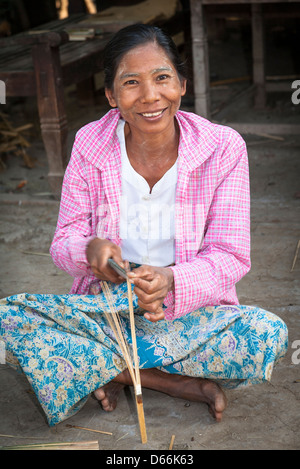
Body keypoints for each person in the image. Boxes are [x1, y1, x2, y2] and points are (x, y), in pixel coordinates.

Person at [0, 24, 288, 427]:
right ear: (111, 95)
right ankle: (166, 379)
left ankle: (105, 364)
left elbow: (231, 255)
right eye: (131, 83)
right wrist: (90, 251)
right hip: (108, 306)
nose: (150, 96)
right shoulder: (90, 144)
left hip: (189, 311)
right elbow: (64, 239)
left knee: (267, 335)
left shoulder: (223, 147)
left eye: (162, 78)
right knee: (8, 319)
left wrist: (171, 280)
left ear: (182, 84)